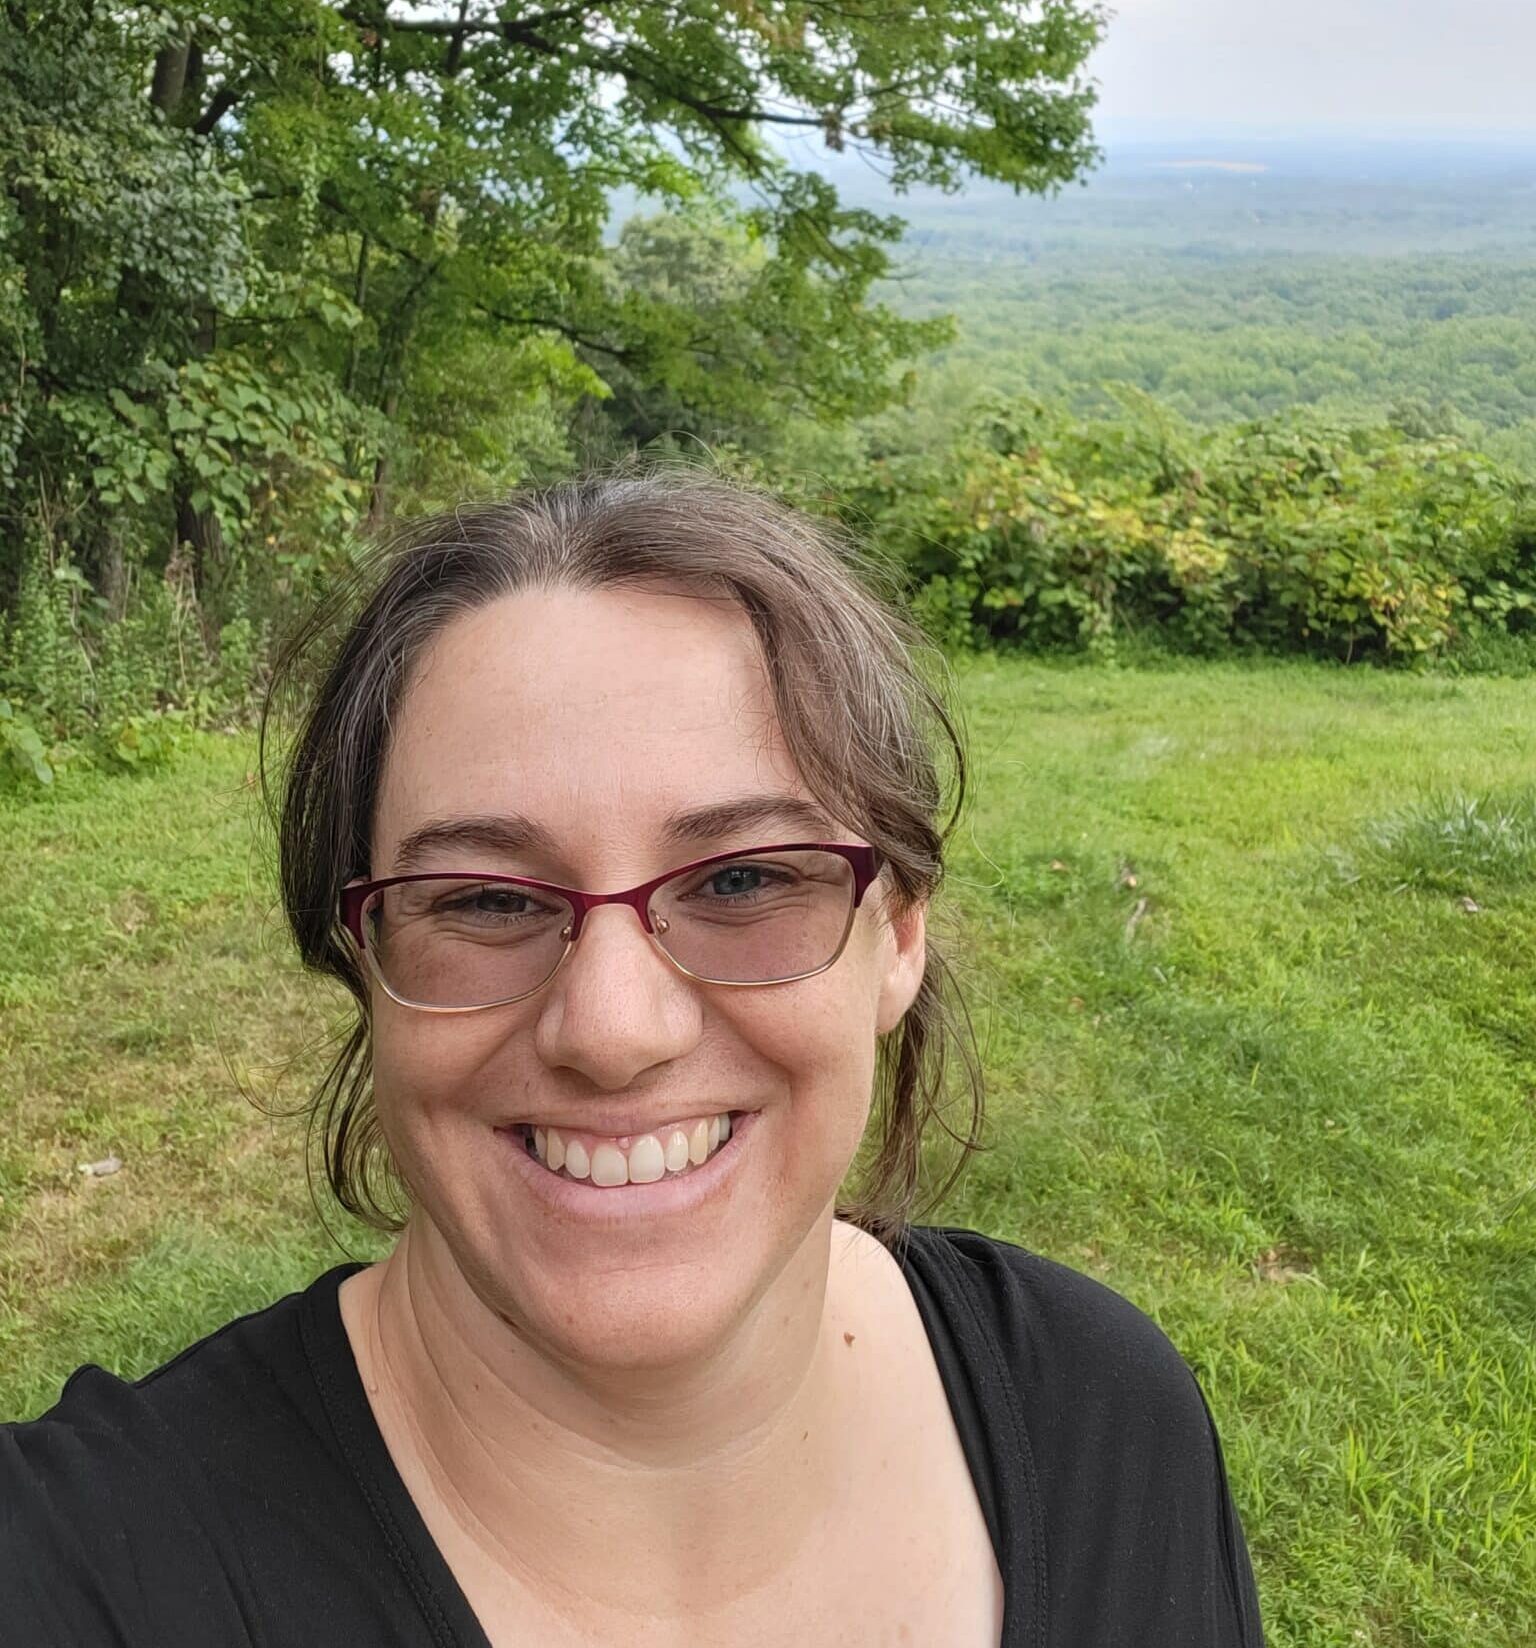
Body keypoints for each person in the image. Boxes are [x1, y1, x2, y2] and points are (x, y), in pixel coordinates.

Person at [0, 472, 1264, 1646]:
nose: (613, 1029)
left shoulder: (1101, 1418)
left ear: (901, 936)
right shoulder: (83, 1572)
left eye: (746, 878)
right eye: (486, 899)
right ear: (364, 953)